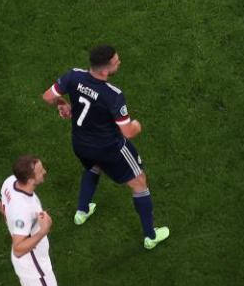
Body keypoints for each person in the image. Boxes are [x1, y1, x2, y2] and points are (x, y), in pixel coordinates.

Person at [42, 45, 170, 250]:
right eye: (116, 61)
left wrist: (61, 103)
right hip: (110, 149)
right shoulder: (113, 95)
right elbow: (127, 132)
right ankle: (150, 235)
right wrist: (137, 125)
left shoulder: (74, 76)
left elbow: (48, 96)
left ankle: (81, 212)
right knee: (139, 182)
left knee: (93, 167)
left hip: (80, 144)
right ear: (105, 69)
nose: (119, 62)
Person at [0, 155, 61, 286]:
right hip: (34, 267)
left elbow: (0, 206)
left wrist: (14, 224)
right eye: (40, 171)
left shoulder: (10, 181)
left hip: (27, 264)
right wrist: (43, 231)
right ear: (30, 179)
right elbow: (18, 249)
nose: (44, 171)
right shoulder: (24, 209)